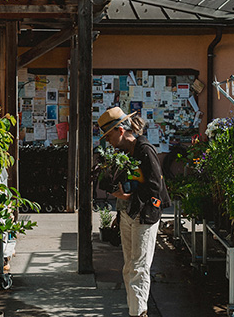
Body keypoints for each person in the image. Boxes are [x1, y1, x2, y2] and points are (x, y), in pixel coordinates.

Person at [96, 106, 171, 317]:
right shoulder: (122, 152)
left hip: (145, 215)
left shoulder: (145, 150)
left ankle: (138, 314)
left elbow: (156, 186)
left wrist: (129, 197)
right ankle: (136, 311)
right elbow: (108, 184)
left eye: (108, 135)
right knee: (129, 268)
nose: (107, 141)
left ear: (121, 131)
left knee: (138, 268)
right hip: (129, 214)